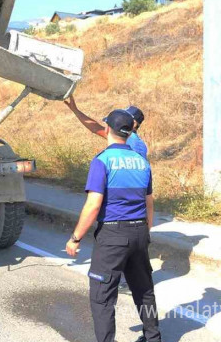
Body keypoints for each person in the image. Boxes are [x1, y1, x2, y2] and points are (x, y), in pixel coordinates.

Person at [64, 109, 160, 342]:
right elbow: (149, 203)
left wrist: (76, 238)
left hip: (113, 235)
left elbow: (94, 205)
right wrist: (145, 232)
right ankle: (153, 337)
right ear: (129, 133)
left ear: (107, 129)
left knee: (102, 296)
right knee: (144, 291)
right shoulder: (142, 162)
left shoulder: (102, 161)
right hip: (139, 232)